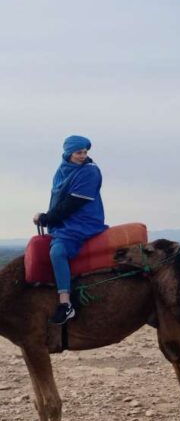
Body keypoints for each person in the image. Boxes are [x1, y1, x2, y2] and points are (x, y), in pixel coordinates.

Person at [33, 135, 108, 325]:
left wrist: (46, 218)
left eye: (85, 152)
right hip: (64, 221)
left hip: (83, 221)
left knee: (57, 252)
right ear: (68, 153)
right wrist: (48, 218)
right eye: (78, 152)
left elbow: (73, 203)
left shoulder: (90, 172)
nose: (83, 156)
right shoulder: (62, 171)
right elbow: (58, 201)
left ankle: (66, 305)